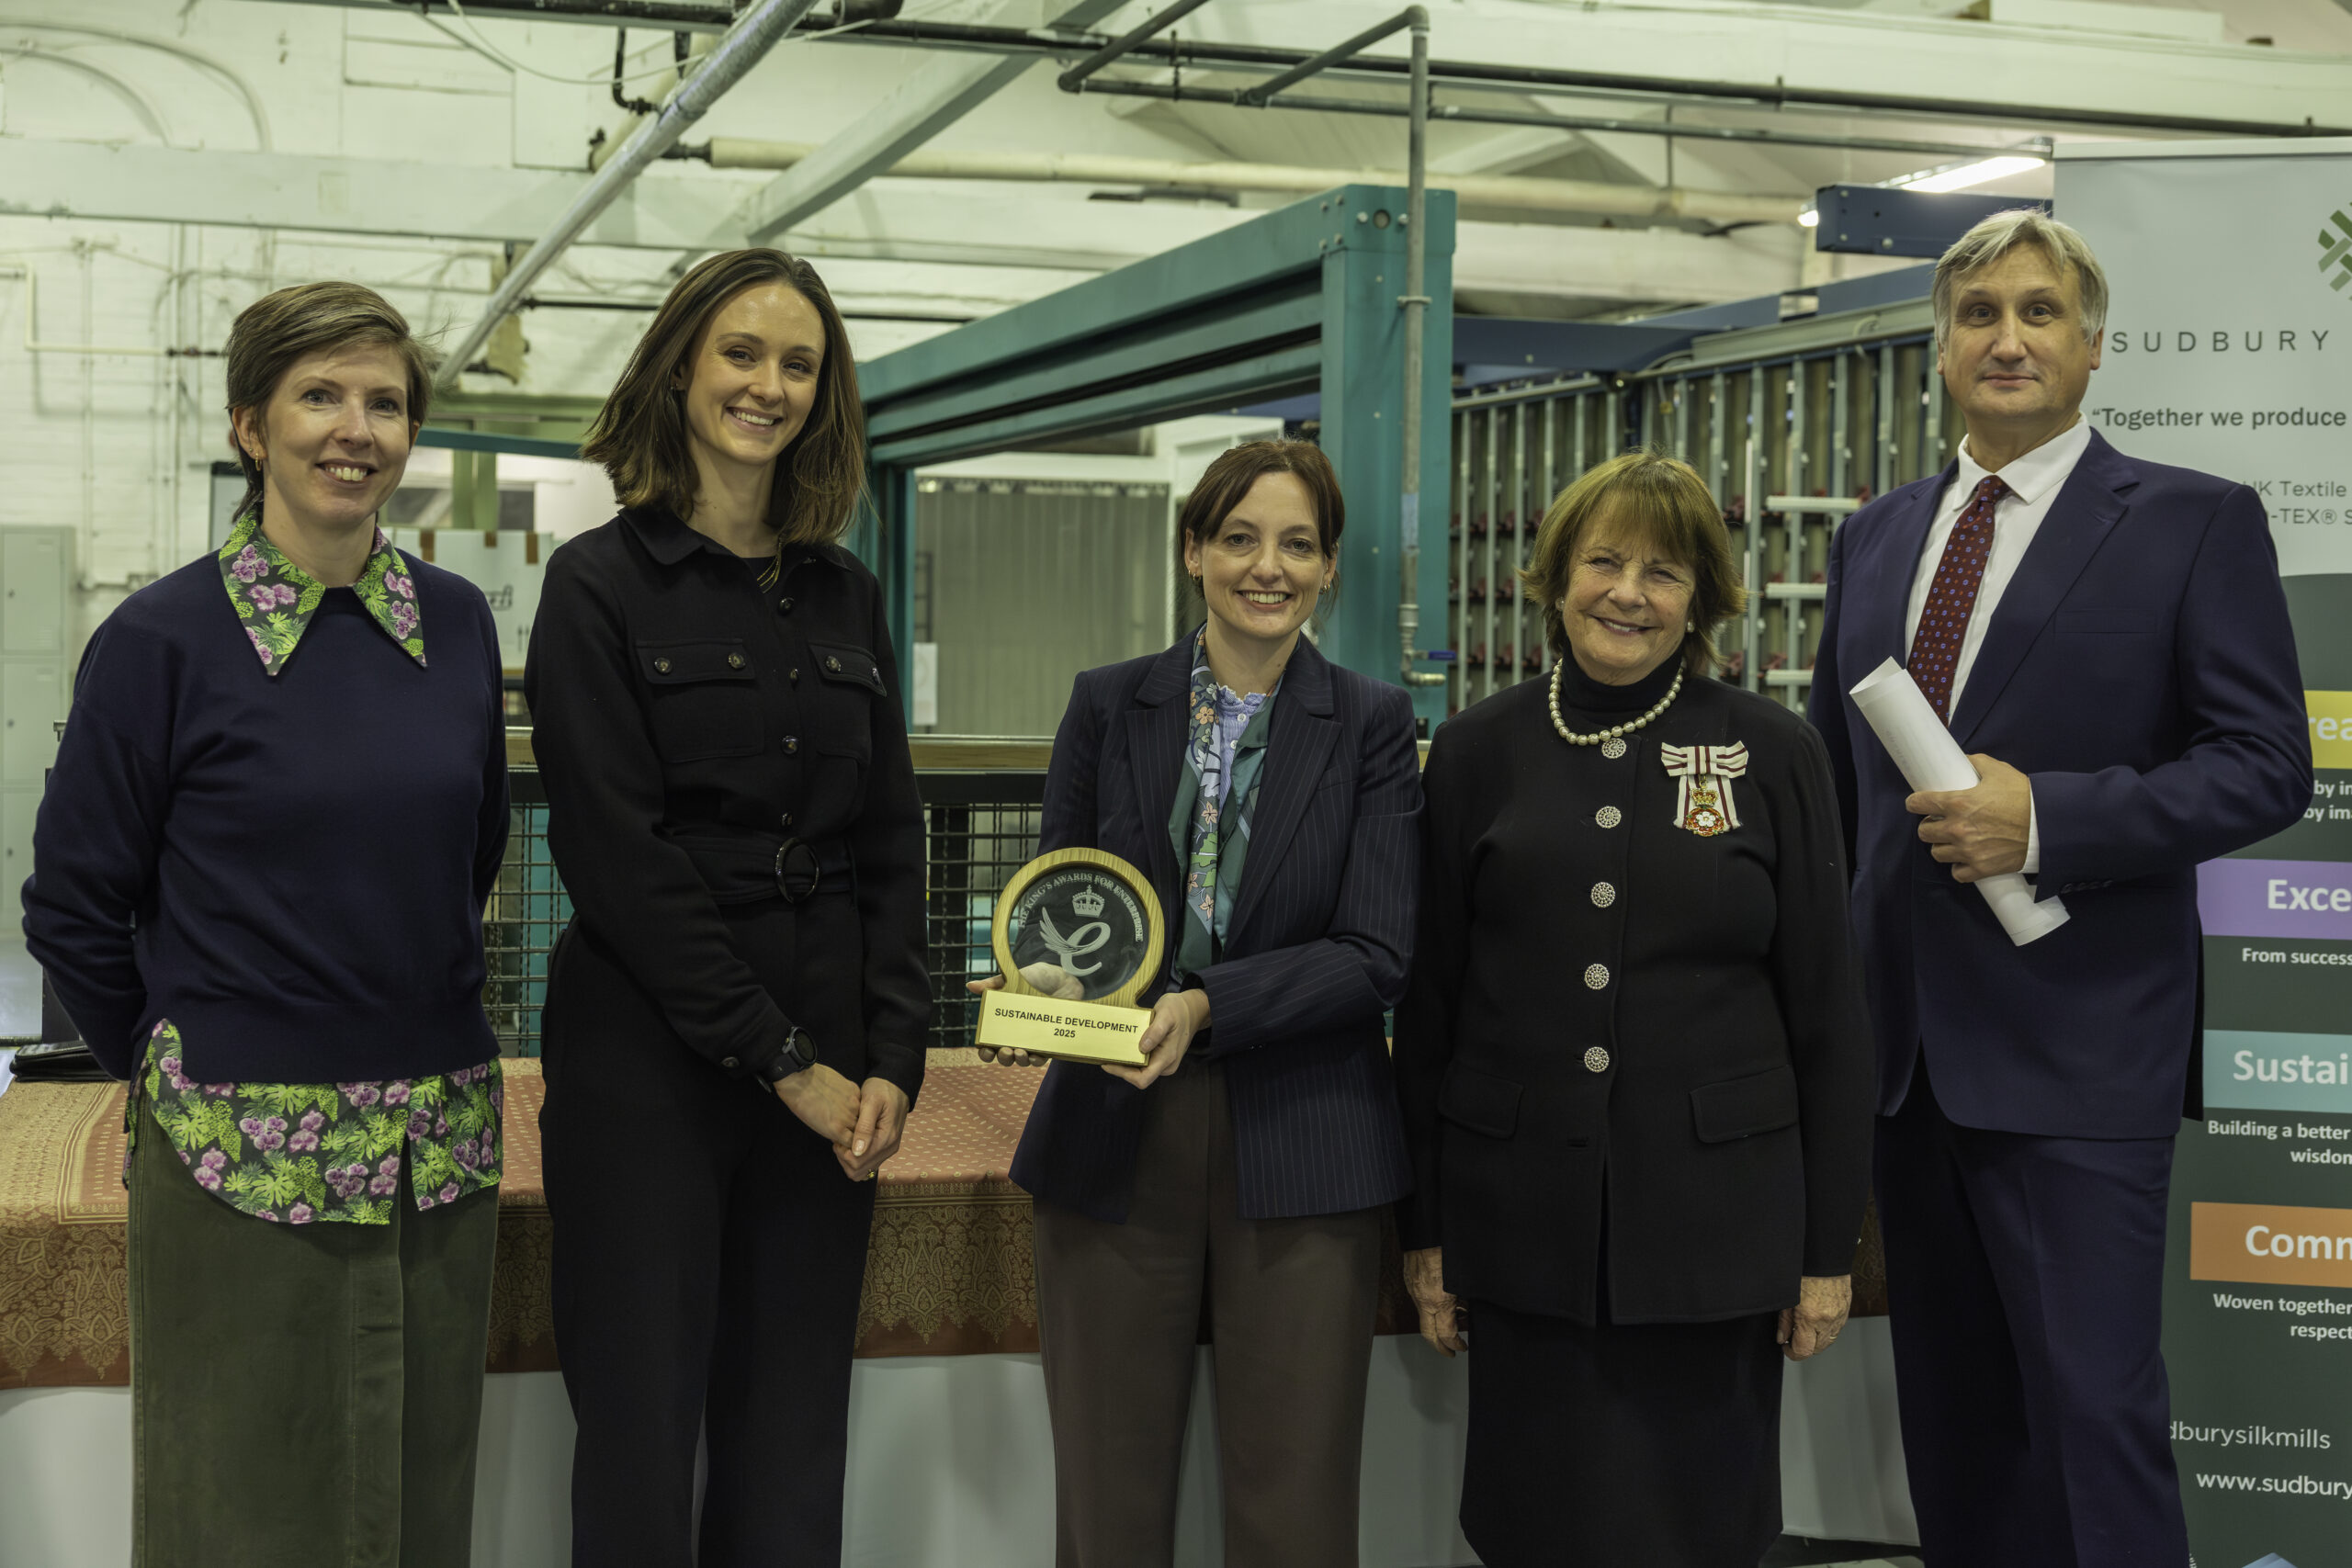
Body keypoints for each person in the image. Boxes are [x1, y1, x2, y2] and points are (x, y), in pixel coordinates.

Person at [1809, 210, 2310, 1565]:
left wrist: (2050, 816)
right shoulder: (1877, 535)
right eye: (1978, 313)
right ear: (1941, 347)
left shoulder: (2194, 522)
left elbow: (2270, 767)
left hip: (2080, 1054)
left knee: (2093, 1425)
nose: (2008, 337)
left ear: (2093, 345)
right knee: (1958, 1434)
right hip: (1906, 1064)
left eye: (2039, 312)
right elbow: (1833, 794)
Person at [23, 282, 510, 1564]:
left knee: (417, 1492)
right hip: (240, 1146)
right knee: (239, 1500)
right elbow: (73, 904)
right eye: (320, 394)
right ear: (251, 424)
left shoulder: (455, 626)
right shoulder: (161, 640)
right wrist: (190, 1055)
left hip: (434, 1142)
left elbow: (472, 852)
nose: (357, 428)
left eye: (387, 401)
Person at [1395, 450, 1874, 1568]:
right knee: (1533, 1518)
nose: (1627, 593)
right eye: (1602, 562)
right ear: (1555, 574)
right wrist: (1424, 1233)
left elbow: (1827, 1019)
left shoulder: (1773, 751)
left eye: (1663, 573)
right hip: (1521, 1226)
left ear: (1703, 595)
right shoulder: (1475, 749)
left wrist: (1823, 1250)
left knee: (1700, 1523)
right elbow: (1431, 1008)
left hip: (1717, 1230)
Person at [524, 247, 927, 1568]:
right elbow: (621, 860)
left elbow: (884, 841)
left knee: (795, 1425)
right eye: (740, 353)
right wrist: (786, 1061)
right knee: (642, 1434)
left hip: (830, 1066)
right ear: (682, 364)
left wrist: (891, 1059)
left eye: (797, 363)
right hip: (650, 1064)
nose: (766, 384)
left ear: (826, 391)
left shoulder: (846, 591)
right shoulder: (595, 585)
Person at [973, 439, 1421, 1568]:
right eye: (1238, 537)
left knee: (1295, 1511)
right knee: (1108, 1508)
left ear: (1329, 572)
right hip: (1112, 1131)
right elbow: (1067, 896)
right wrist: (1043, 989)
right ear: (1192, 552)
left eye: (1297, 544)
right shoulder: (1105, 704)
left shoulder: (1372, 725)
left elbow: (1375, 952)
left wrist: (1205, 1006)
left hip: (1304, 1142)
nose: (1265, 566)